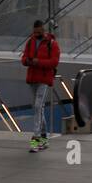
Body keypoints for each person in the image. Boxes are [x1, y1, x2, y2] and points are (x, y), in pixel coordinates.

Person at [20, 19, 60, 153]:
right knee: (39, 108)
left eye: (38, 32)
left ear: (43, 30)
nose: (36, 34)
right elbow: (24, 58)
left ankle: (35, 139)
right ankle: (44, 138)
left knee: (38, 106)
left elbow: (54, 62)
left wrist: (38, 62)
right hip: (32, 79)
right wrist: (28, 61)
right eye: (34, 32)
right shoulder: (30, 42)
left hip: (44, 80)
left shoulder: (52, 44)